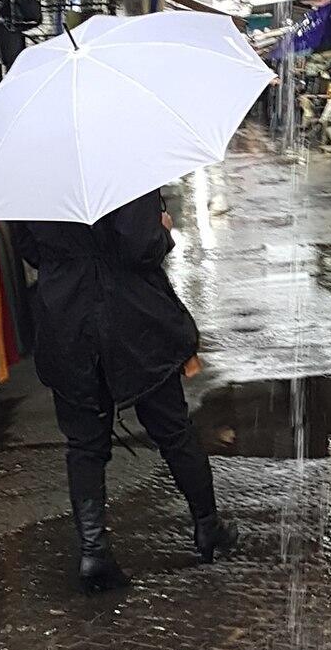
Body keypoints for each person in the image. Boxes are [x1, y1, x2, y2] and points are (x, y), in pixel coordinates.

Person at [18, 190, 236, 592]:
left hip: (66, 316)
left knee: (83, 444)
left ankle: (93, 552)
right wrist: (164, 230)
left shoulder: (34, 175)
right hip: (133, 316)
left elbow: (30, 247)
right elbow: (141, 245)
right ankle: (208, 527)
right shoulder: (120, 165)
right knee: (172, 428)